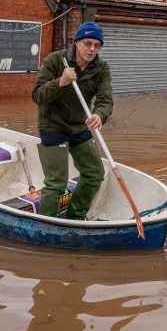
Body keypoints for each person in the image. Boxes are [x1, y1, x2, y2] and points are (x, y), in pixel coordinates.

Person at [31, 22, 112, 220]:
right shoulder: (55, 61)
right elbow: (37, 96)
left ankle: (75, 218)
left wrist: (100, 115)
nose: (92, 49)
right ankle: (48, 224)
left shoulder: (101, 68)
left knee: (94, 174)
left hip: (78, 125)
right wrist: (60, 82)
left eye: (96, 45)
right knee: (57, 183)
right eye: (87, 43)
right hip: (52, 125)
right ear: (76, 42)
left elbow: (105, 99)